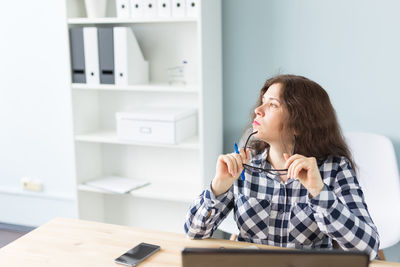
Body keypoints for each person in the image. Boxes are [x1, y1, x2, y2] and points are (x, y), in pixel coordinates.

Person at [184, 74, 379, 259]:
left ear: (299, 124)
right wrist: (218, 187)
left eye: (272, 105)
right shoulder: (245, 163)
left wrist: (319, 193)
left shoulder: (334, 168)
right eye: (262, 102)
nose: (257, 110)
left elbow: (368, 249)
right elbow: (193, 231)